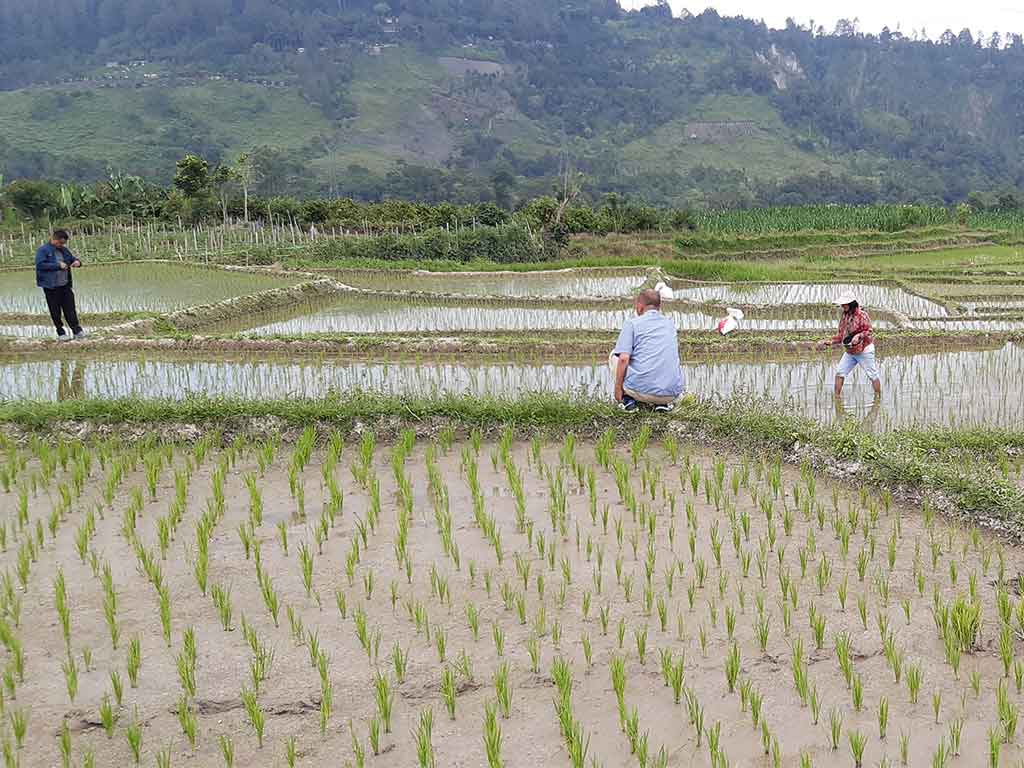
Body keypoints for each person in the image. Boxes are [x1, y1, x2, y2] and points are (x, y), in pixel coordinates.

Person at [610, 288, 685, 412]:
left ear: (639, 306)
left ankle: (627, 400)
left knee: (615, 355)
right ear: (659, 307)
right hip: (671, 394)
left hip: (642, 391)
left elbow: (623, 359)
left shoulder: (632, 324)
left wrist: (617, 390)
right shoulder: (670, 324)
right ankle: (661, 404)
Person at [817, 291, 881, 397]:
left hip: (864, 349)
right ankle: (836, 398)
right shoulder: (845, 316)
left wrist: (858, 336)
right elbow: (841, 335)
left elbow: (869, 331)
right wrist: (831, 341)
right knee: (840, 373)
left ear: (851, 303)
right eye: (842, 304)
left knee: (872, 375)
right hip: (850, 351)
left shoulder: (862, 315)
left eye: (845, 304)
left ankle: (878, 398)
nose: (842, 306)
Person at [35, 229, 86, 341]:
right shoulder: (43, 250)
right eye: (60, 243)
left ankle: (77, 330)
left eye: (63, 243)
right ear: (54, 239)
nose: (61, 245)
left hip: (65, 285)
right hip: (51, 287)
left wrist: (78, 262)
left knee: (70, 309)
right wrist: (57, 265)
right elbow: (40, 265)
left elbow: (73, 259)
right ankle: (61, 332)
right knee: (55, 310)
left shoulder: (64, 250)